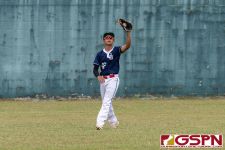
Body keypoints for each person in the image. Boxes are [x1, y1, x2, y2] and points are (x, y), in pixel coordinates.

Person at [93, 31, 131, 130]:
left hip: (113, 79)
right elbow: (95, 69)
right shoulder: (100, 54)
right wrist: (98, 76)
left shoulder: (116, 50)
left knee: (106, 101)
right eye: (106, 37)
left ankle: (99, 123)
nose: (109, 39)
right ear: (103, 40)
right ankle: (114, 121)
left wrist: (128, 33)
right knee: (106, 102)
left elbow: (127, 45)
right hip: (103, 81)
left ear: (113, 40)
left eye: (111, 37)